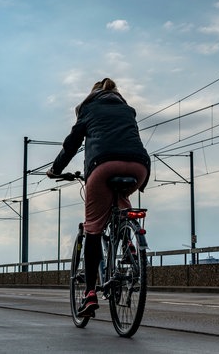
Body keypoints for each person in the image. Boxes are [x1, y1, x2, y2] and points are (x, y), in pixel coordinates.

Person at [47, 77, 150, 317]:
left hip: (102, 166)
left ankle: (90, 294)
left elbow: (71, 144)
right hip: (139, 167)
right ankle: (128, 244)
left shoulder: (88, 109)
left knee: (93, 229)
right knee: (121, 203)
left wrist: (56, 170)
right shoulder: (128, 110)